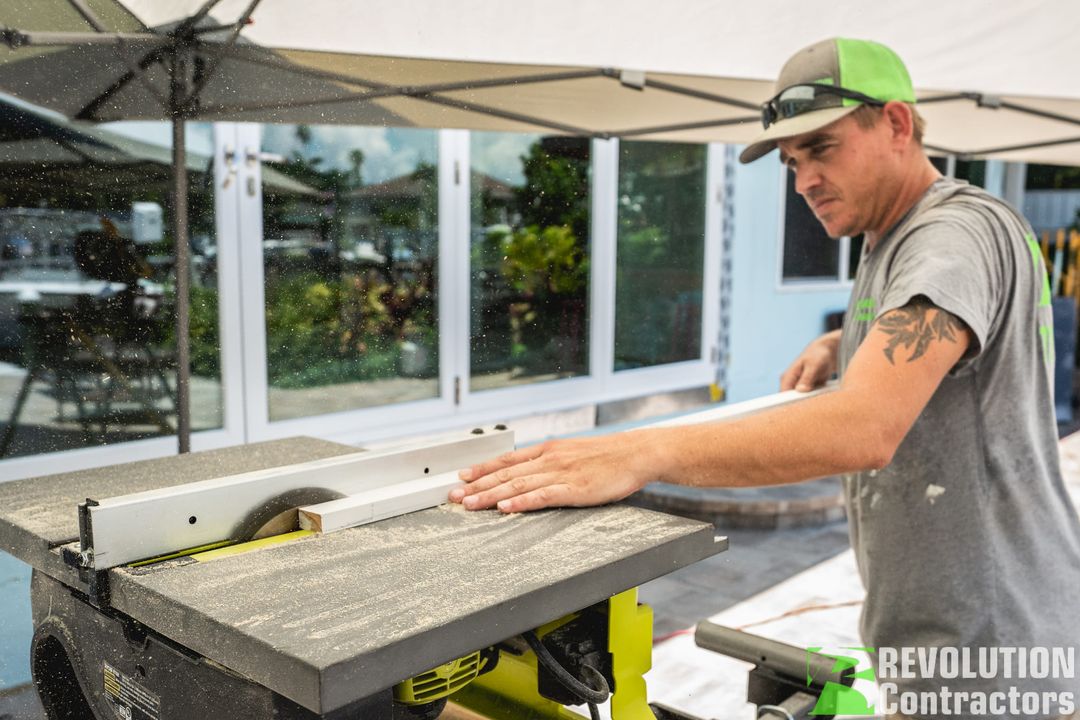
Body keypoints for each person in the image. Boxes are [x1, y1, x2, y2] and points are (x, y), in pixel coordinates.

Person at [449, 38, 1080, 718]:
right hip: (945, 643)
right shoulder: (896, 239)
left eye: (823, 147)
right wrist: (847, 342)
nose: (803, 179)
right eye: (792, 160)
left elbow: (865, 427)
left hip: (993, 657)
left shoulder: (949, 235)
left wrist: (641, 452)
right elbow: (936, 336)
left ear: (897, 124)